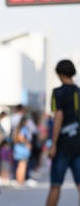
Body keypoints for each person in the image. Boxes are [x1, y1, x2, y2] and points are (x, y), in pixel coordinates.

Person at [45, 59, 80, 206]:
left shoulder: (58, 92)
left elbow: (58, 117)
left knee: (56, 184)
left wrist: (53, 144)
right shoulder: (78, 91)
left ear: (60, 74)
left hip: (63, 145)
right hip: (78, 144)